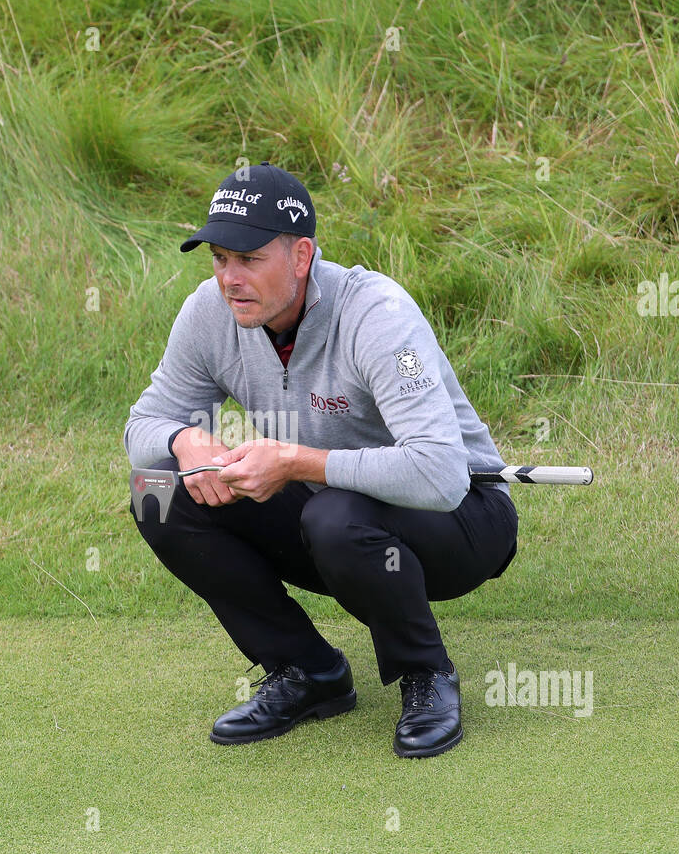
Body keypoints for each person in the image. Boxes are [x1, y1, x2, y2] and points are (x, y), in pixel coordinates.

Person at [124, 162, 517, 758]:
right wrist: (183, 440)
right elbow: (141, 425)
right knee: (158, 492)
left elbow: (440, 473)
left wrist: (294, 462)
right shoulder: (211, 312)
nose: (229, 278)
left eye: (248, 259)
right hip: (328, 516)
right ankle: (307, 672)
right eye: (219, 258)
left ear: (301, 256)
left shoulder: (377, 314)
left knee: (335, 515)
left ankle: (426, 676)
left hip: (462, 518)